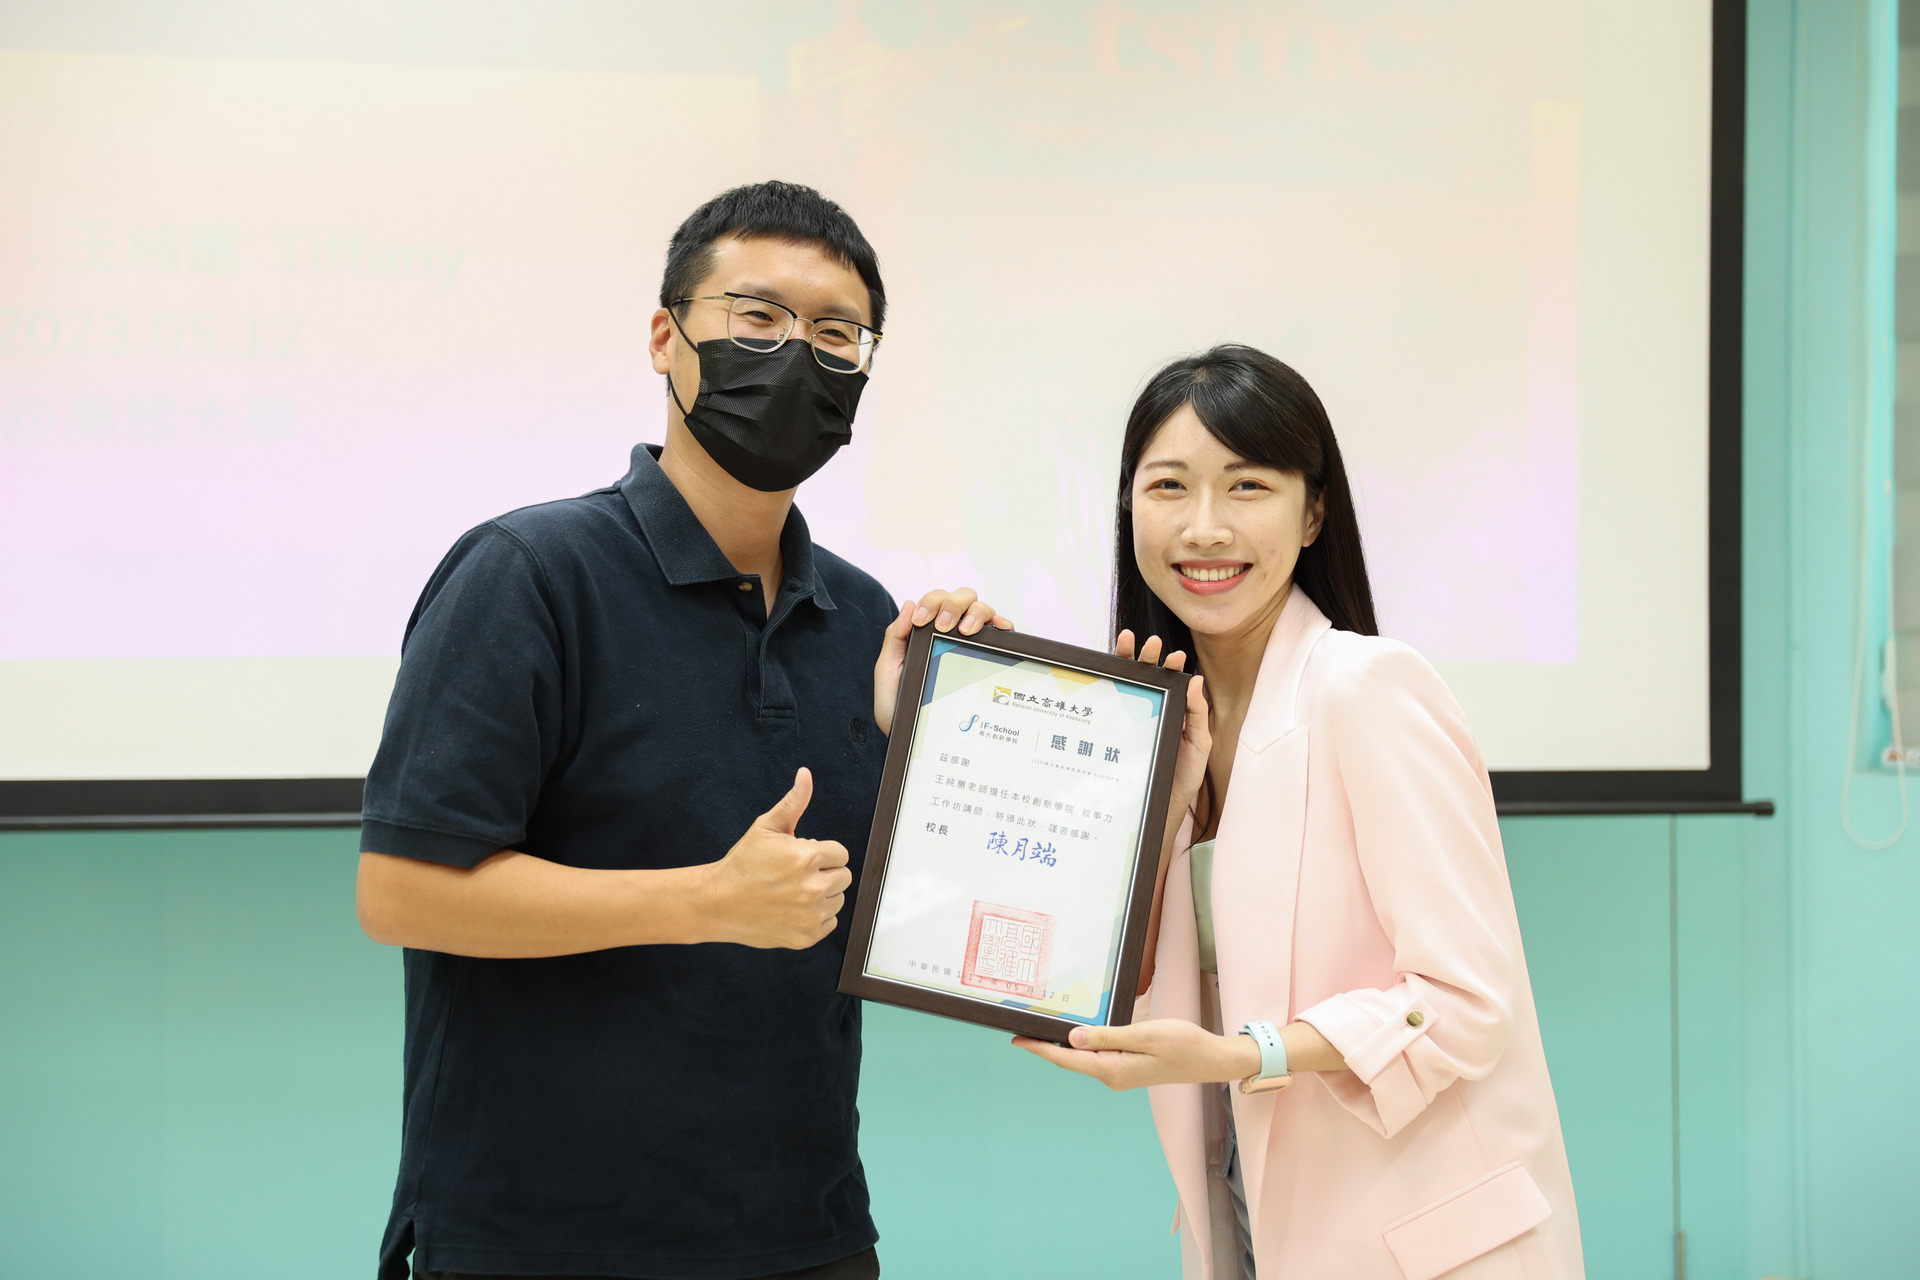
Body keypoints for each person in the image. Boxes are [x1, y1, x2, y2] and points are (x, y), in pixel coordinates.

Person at [354, 181, 1008, 1280]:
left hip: (809, 1234)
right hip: (543, 1237)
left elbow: (885, 921)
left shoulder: (863, 619)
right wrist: (701, 899)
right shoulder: (530, 574)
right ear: (667, 337)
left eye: (837, 334)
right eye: (757, 318)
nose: (798, 354)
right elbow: (402, 891)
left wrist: (938, 749)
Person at [1017, 345, 1584, 1279]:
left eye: (1248, 487)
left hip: (1427, 1243)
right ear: (1130, 509)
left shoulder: (1369, 687)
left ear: (1313, 511)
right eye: (1169, 487)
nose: (1205, 527)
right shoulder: (1162, 724)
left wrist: (1242, 1055)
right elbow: (1103, 963)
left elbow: (1468, 1006)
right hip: (1254, 1225)